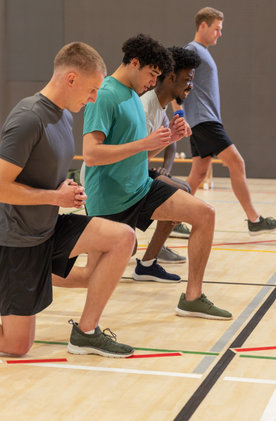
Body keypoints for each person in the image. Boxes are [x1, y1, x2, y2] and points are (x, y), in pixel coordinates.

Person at [0, 42, 137, 359]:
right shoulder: (28, 118)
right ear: (71, 79)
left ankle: (86, 334)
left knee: (122, 239)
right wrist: (57, 196)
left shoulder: (63, 116)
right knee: (17, 345)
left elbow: (42, 175)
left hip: (47, 230)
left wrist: (66, 188)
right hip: (16, 244)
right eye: (92, 90)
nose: (93, 99)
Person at [83, 33, 232, 319]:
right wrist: (146, 143)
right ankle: (34, 274)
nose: (153, 81)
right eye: (152, 74)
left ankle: (192, 297)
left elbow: (138, 153)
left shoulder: (132, 95)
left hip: (139, 189)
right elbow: (91, 154)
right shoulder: (105, 95)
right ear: (135, 63)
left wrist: (166, 139)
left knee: (205, 214)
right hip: (109, 199)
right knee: (89, 276)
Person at [180, 6, 276, 235]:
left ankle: (173, 220)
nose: (220, 34)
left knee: (199, 173)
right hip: (204, 120)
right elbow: (177, 81)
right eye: (217, 29)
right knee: (237, 162)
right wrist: (179, 114)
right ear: (203, 25)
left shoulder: (202, 51)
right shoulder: (192, 50)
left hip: (204, 120)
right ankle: (254, 220)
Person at [141, 46, 201, 260]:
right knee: (180, 192)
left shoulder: (161, 107)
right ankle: (150, 256)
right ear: (172, 77)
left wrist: (165, 169)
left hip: (134, 170)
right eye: (187, 79)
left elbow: (170, 143)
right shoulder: (145, 106)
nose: (191, 86)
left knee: (183, 188)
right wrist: (171, 137)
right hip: (118, 179)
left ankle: (152, 256)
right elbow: (136, 156)